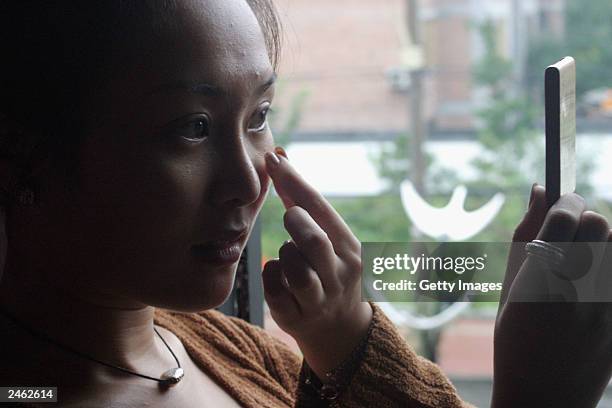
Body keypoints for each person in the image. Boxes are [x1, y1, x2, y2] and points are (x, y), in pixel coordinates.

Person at [0, 1, 610, 407]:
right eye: (192, 127)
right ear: (23, 151)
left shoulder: (226, 348)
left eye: (259, 116)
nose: (249, 181)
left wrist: (346, 338)